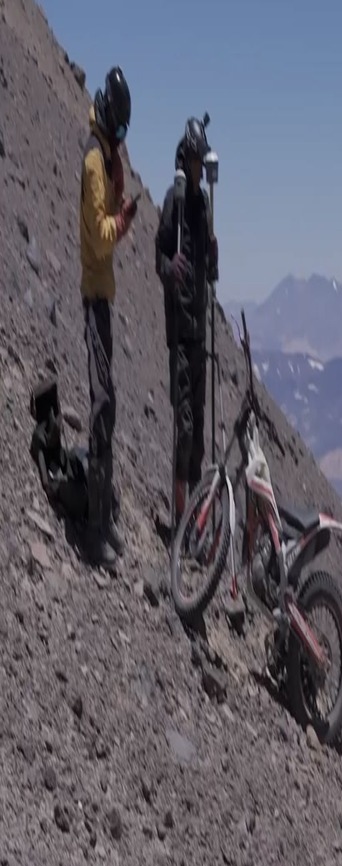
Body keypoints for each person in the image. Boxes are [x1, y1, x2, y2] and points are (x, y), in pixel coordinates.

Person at [79, 65, 137, 567]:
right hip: (94, 294)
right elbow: (99, 237)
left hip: (104, 295)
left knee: (109, 405)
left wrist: (120, 202)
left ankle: (105, 519)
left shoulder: (105, 160)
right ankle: (95, 529)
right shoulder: (94, 162)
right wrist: (121, 220)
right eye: (120, 128)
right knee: (101, 408)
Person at [155, 117, 218, 526]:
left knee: (198, 441)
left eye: (201, 161)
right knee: (184, 429)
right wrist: (168, 265)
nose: (199, 168)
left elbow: (209, 270)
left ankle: (194, 521)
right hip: (180, 332)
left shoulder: (203, 205)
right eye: (196, 160)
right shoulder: (173, 202)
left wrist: (212, 259)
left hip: (200, 332)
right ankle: (180, 519)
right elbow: (158, 254)